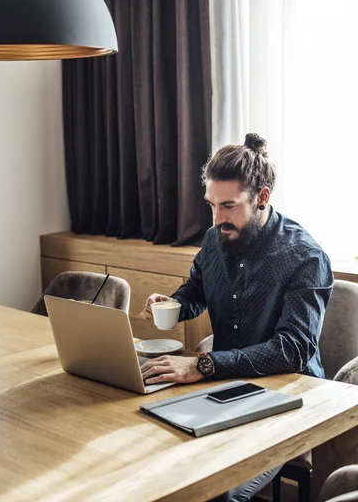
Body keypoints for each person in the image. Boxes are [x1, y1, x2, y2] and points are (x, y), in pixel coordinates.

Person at [140, 133, 334, 502]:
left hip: (288, 393)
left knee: (216, 492)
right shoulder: (216, 238)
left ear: (262, 197)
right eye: (211, 205)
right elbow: (195, 291)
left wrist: (205, 366)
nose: (217, 219)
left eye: (228, 206)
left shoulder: (305, 257)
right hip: (226, 385)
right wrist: (173, 304)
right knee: (158, 461)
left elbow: (292, 350)